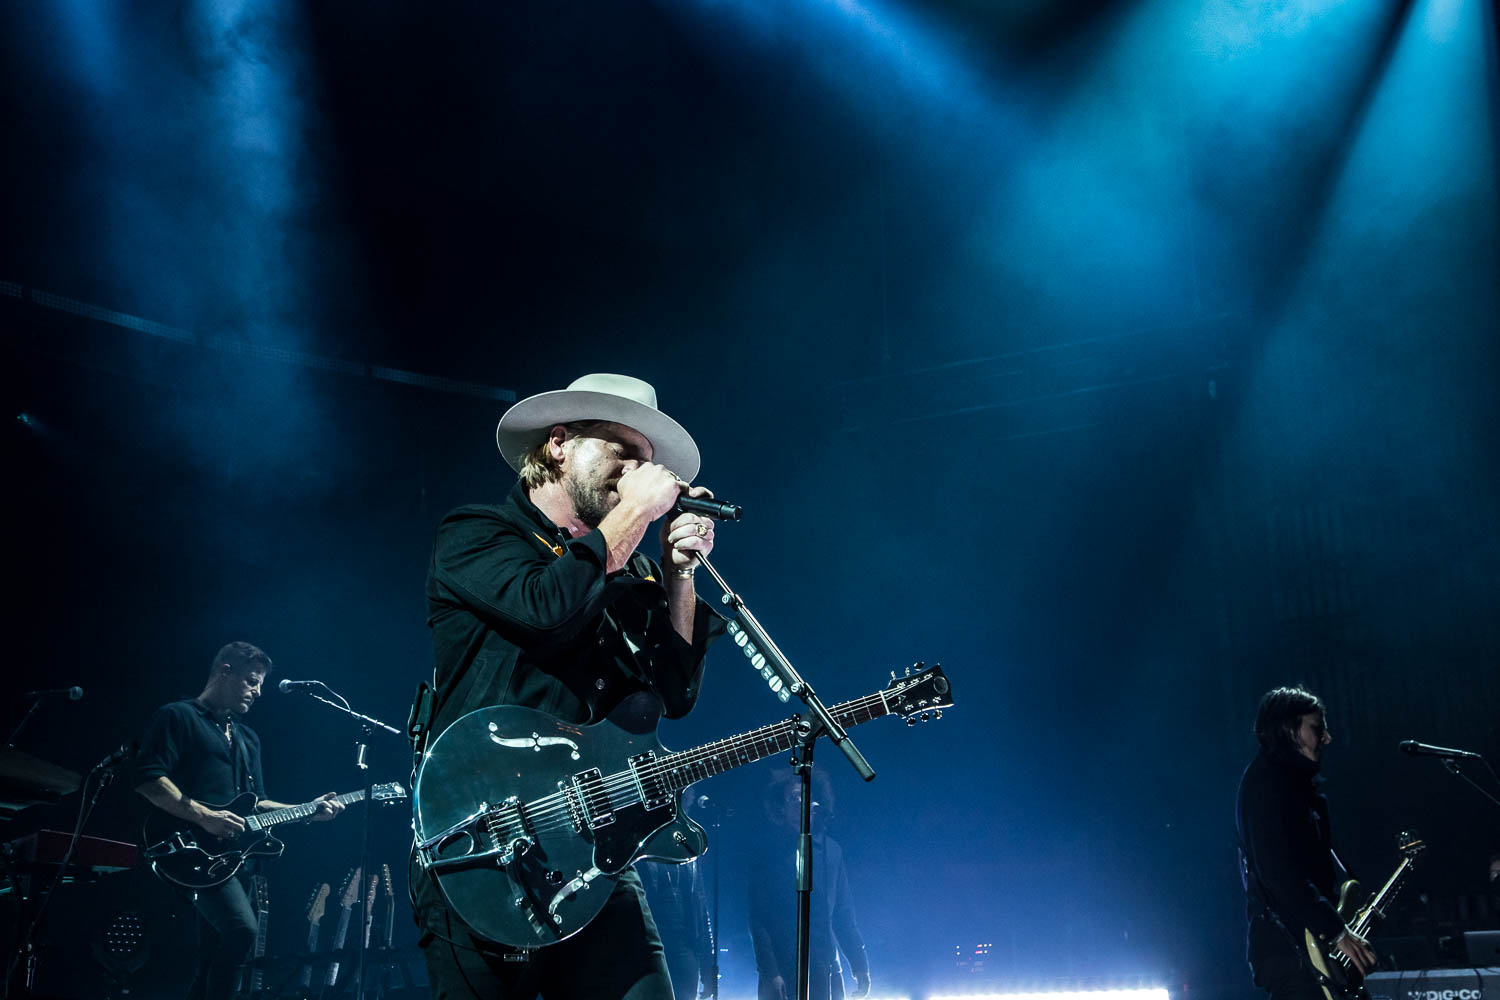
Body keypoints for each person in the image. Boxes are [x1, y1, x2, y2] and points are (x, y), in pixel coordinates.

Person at [410, 373, 728, 1000]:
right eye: (623, 453)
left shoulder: (630, 566)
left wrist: (678, 578)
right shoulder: (477, 534)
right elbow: (547, 610)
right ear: (559, 443)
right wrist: (637, 512)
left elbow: (675, 695)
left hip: (594, 852)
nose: (637, 473)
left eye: (646, 463)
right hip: (485, 846)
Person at [134, 641, 344, 1000]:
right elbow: (148, 779)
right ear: (224, 671)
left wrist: (308, 809)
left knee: (212, 954)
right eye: (251, 681)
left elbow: (257, 803)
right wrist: (204, 816)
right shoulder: (177, 716)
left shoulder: (248, 738)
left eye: (261, 683)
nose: (259, 692)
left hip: (232, 859)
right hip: (188, 846)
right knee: (241, 930)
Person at [1236, 686, 1376, 1000]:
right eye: (1317, 728)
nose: (1327, 738)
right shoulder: (1266, 786)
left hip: (1311, 948)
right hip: (1290, 950)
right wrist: (1337, 932)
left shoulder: (1299, 788)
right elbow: (1279, 873)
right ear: (1289, 730)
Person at [747, 768, 870, 1000]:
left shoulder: (831, 851)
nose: (801, 803)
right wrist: (770, 972)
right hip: (783, 969)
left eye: (806, 797)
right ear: (781, 807)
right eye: (793, 798)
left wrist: (859, 965)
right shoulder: (766, 853)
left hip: (826, 968)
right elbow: (758, 919)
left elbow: (844, 914)